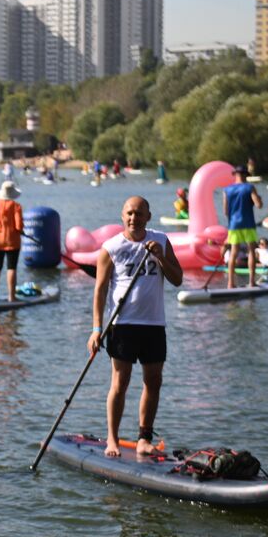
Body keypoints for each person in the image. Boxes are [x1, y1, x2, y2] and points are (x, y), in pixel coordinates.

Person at [90, 196, 184, 458]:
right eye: (130, 213)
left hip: (154, 323)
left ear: (148, 217)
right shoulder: (111, 248)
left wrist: (160, 257)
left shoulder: (162, 241)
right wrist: (97, 329)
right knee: (120, 383)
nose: (134, 218)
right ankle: (112, 439)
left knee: (153, 382)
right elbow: (99, 291)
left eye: (139, 214)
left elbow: (178, 279)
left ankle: (144, 438)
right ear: (123, 216)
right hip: (123, 324)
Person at [222, 165, 264, 288]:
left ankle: (230, 283)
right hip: (248, 223)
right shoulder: (250, 187)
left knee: (233, 253)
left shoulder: (227, 190)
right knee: (251, 251)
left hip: (233, 225)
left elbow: (225, 211)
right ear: (245, 175)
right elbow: (259, 205)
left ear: (235, 175)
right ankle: (251, 281)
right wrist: (259, 199)